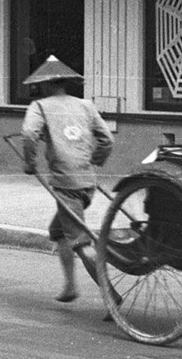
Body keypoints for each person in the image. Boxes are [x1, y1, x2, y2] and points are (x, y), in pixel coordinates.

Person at [21, 55, 114, 303]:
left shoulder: (39, 107)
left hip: (66, 185)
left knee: (80, 242)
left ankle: (111, 295)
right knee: (58, 231)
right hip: (87, 183)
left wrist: (30, 163)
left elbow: (29, 134)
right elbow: (107, 138)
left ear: (45, 84)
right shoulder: (85, 105)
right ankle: (70, 286)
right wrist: (94, 159)